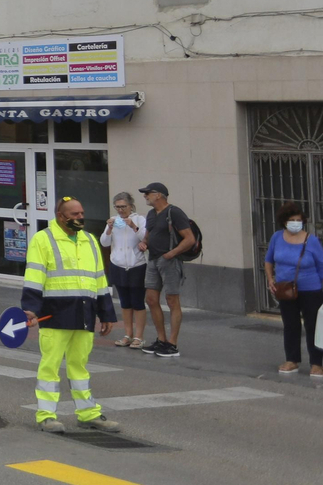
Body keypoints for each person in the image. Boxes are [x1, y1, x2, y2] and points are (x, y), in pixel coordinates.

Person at [22, 196, 121, 434]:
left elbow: (99, 279)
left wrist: (106, 313)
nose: (80, 218)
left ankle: (88, 414)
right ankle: (46, 416)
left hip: (84, 314)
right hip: (54, 315)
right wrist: (30, 309)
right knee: (50, 367)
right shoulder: (43, 239)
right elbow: (35, 275)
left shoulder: (89, 240)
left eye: (81, 213)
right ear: (61, 216)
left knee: (80, 367)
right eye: (75, 215)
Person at [264, 201, 323, 377]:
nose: (296, 222)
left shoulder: (311, 240)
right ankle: (292, 360)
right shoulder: (276, 237)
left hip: (311, 289)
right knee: (290, 325)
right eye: (292, 219)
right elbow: (268, 260)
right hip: (285, 289)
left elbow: (321, 265)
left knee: (313, 326)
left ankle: (317, 363)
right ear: (284, 221)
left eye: (299, 219)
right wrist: (270, 279)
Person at [139, 182, 196, 358]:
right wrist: (144, 243)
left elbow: (189, 239)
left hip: (169, 261)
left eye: (148, 193)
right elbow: (148, 236)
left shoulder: (174, 212)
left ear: (159, 195)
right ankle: (161, 340)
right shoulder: (150, 214)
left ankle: (172, 344)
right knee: (151, 298)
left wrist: (170, 254)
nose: (145, 196)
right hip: (154, 260)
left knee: (172, 300)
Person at [100, 192, 148, 349]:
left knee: (138, 302)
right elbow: (105, 243)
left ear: (131, 206)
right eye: (117, 207)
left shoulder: (140, 220)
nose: (120, 210)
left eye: (123, 206)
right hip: (118, 264)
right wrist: (109, 228)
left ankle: (139, 337)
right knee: (125, 302)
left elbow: (145, 237)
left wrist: (133, 226)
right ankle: (128, 334)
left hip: (136, 265)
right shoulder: (114, 221)